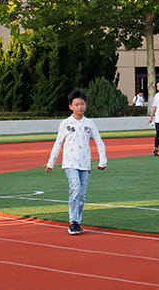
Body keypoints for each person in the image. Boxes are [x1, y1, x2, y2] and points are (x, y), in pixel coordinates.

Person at [45, 89, 107, 235]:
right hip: (70, 163)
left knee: (82, 194)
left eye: (82, 104)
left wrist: (102, 160)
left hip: (85, 163)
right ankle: (73, 221)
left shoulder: (89, 123)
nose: (80, 107)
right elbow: (58, 142)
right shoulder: (66, 123)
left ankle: (77, 221)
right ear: (71, 107)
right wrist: (51, 162)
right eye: (77, 104)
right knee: (75, 189)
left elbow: (99, 141)